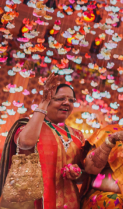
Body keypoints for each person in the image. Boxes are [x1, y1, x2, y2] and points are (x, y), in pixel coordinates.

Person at [0, 75, 85, 209]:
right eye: (60, 99)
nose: (67, 102)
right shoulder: (28, 126)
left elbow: (84, 175)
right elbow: (26, 143)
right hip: (34, 202)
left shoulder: (77, 135)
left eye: (71, 100)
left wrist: (77, 174)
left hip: (70, 202)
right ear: (49, 100)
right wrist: (44, 102)